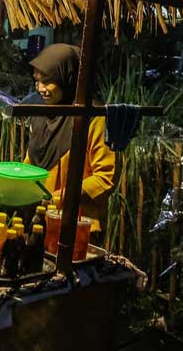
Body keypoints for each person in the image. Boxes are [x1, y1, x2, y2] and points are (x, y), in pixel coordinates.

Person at [24, 44, 115, 233]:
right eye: (37, 81)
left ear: (68, 77)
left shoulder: (92, 118)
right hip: (40, 221)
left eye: (48, 81)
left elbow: (105, 177)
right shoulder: (40, 115)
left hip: (77, 225)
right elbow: (29, 165)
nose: (41, 88)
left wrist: (61, 197)